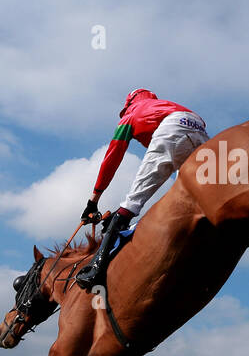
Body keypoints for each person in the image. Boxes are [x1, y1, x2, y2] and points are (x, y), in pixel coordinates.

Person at [75, 88, 209, 288]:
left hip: (172, 127)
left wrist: (93, 201)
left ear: (128, 104)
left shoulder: (130, 115)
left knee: (133, 202)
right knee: (194, 200)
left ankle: (96, 268)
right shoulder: (164, 105)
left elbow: (112, 158)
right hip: (199, 126)